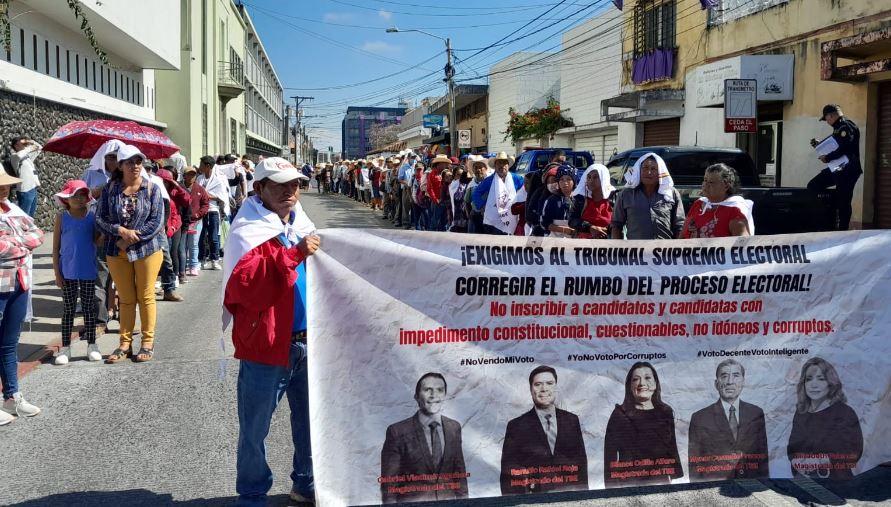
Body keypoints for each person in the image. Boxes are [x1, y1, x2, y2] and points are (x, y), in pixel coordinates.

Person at [222, 157, 319, 506]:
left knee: (311, 425)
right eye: (278, 184)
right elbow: (245, 285)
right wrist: (293, 255)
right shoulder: (246, 228)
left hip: (310, 342)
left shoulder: (303, 224)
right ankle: (252, 496)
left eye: (294, 184)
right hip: (266, 345)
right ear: (259, 188)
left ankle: (305, 485)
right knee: (255, 429)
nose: (289, 191)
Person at [95, 145, 164, 364]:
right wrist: (119, 231)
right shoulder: (110, 189)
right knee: (125, 299)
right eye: (130, 162)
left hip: (147, 250)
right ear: (121, 165)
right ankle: (124, 344)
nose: (135, 166)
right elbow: (100, 218)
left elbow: (156, 221)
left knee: (145, 296)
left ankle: (147, 341)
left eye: (138, 162)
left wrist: (131, 237)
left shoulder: (152, 189)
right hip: (117, 251)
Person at [380, 372, 469, 503]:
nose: (434, 395)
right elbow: (389, 487)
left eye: (440, 390)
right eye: (428, 390)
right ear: (416, 397)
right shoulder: (397, 432)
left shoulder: (454, 428)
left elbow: (460, 476)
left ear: (445, 395)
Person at [500, 365, 587, 494]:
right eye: (538, 384)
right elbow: (508, 474)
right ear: (531, 389)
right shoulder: (516, 426)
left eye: (549, 383)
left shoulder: (572, 421)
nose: (544, 389)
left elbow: (581, 466)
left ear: (556, 387)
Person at [0, 171, 44, 426]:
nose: (4, 189)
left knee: (8, 342)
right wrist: (21, 243)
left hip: (19, 281)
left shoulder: (13, 209)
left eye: (7, 185)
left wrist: (15, 242)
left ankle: (12, 395)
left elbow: (37, 234)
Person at [604, 362, 683, 488]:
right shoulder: (619, 414)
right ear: (630, 386)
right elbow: (609, 457)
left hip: (660, 481)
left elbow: (672, 447)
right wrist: (611, 490)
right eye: (636, 379)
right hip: (630, 484)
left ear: (656, 383)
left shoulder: (665, 411)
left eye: (647, 378)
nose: (642, 383)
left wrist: (674, 478)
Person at [688, 359, 768, 481]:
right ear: (716, 384)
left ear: (743, 382)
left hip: (751, 485)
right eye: (724, 376)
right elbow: (695, 465)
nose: (730, 382)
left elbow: (762, 458)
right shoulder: (699, 418)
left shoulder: (756, 413)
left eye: (736, 376)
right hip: (714, 489)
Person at [51, 180, 102, 365]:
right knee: (69, 309)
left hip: (87, 269)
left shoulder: (92, 217)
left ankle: (92, 344)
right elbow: (55, 248)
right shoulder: (61, 218)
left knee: (89, 308)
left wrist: (104, 232)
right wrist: (57, 273)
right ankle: (65, 347)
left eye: (82, 195)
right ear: (66, 199)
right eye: (75, 195)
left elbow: (98, 242)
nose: (79, 199)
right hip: (67, 271)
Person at [787, 357, 863, 480]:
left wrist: (820, 461)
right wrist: (797, 461)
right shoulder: (801, 412)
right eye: (808, 379)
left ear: (831, 383)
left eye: (821, 379)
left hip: (838, 485)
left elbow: (854, 453)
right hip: (804, 483)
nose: (813, 384)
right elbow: (792, 449)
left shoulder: (845, 413)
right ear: (803, 383)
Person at [81, 139, 124, 338]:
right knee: (100, 277)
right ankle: (100, 320)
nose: (113, 161)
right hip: (97, 233)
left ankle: (125, 317)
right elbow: (77, 199)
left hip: (121, 234)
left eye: (116, 158)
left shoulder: (127, 177)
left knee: (123, 279)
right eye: (109, 157)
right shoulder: (91, 174)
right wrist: (93, 194)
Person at [807, 104, 862, 230]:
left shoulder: (845, 126)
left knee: (844, 201)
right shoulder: (839, 127)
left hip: (847, 170)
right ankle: (826, 215)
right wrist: (820, 146)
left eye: (826, 119)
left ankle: (842, 231)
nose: (826, 122)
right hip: (838, 168)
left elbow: (845, 147)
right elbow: (836, 146)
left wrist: (827, 158)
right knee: (814, 185)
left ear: (831, 115)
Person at [611, 153, 685, 240]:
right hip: (635, 251)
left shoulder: (671, 193)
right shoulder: (626, 194)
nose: (648, 172)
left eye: (653, 169)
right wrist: (619, 251)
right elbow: (616, 225)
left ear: (660, 173)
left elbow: (680, 226)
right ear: (639, 171)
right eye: (645, 168)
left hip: (664, 251)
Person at [683, 163, 754, 238]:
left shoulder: (735, 210)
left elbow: (742, 245)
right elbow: (682, 236)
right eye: (705, 180)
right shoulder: (698, 204)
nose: (705, 185)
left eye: (711, 182)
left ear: (726, 185)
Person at [156, 168, 191, 293]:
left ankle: (174, 278)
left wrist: (177, 186)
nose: (164, 184)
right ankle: (163, 281)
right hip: (160, 228)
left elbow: (187, 200)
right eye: (162, 181)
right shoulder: (154, 190)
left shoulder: (174, 191)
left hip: (174, 226)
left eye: (167, 181)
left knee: (172, 252)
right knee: (160, 256)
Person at [472, 152, 524, 235]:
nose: (502, 166)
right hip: (494, 220)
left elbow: (525, 191)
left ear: (508, 165)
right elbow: (476, 193)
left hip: (512, 216)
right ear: (495, 166)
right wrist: (482, 206)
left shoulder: (517, 178)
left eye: (504, 163)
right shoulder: (489, 180)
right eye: (499, 163)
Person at [197, 156, 230, 270]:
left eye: (201, 164)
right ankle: (201, 259)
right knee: (201, 237)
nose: (200, 167)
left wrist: (206, 195)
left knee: (213, 237)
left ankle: (214, 260)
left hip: (213, 210)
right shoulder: (199, 179)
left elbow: (221, 197)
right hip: (201, 211)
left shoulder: (218, 180)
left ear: (208, 166)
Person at [569, 164, 614, 239]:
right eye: (589, 177)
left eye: (595, 177)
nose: (591, 180)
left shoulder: (614, 198)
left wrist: (607, 229)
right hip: (584, 246)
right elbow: (572, 220)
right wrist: (590, 227)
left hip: (608, 245)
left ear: (603, 179)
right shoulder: (580, 199)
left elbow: (621, 221)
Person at [182, 166, 209, 277]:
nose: (191, 176)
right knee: (182, 245)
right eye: (189, 174)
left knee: (193, 243)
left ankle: (193, 265)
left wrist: (198, 214)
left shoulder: (200, 189)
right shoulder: (179, 187)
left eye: (193, 174)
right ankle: (182, 266)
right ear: (184, 175)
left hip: (196, 221)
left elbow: (205, 204)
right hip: (182, 221)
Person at [540, 165, 580, 238]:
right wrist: (564, 230)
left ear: (574, 181)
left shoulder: (580, 200)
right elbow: (544, 223)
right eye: (561, 179)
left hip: (575, 242)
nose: (565, 183)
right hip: (554, 242)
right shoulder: (551, 200)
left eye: (568, 179)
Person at [8, 136, 42, 217]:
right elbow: (20, 155)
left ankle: (29, 229)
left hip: (33, 188)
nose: (25, 145)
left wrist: (29, 141)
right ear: (16, 146)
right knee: (24, 217)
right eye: (22, 143)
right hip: (25, 190)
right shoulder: (14, 157)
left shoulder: (27, 157)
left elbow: (40, 147)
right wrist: (29, 148)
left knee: (30, 217)